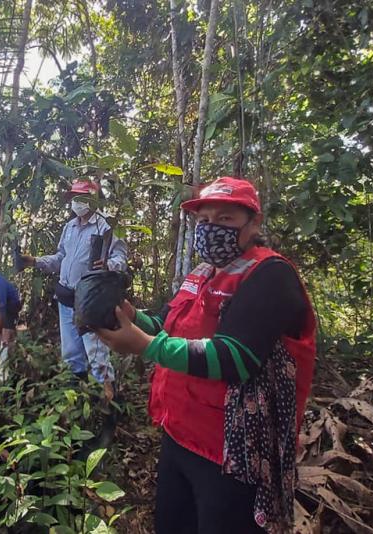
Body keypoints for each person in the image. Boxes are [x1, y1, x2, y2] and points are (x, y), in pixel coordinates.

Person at [95, 176, 316, 533]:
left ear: (254, 223)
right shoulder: (202, 274)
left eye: (225, 219)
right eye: (204, 220)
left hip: (233, 452)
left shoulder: (271, 274)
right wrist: (131, 316)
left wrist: (146, 346)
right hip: (179, 434)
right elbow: (166, 324)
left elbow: (236, 357)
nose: (212, 228)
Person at [19, 180, 128, 386]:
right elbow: (61, 258)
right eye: (74, 197)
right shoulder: (69, 226)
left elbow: (121, 259)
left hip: (90, 297)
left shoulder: (107, 226)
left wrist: (108, 265)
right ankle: (74, 391)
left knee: (96, 350)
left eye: (81, 197)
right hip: (66, 295)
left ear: (93, 199)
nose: (76, 202)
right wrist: (34, 261)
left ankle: (107, 393)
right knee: (70, 350)